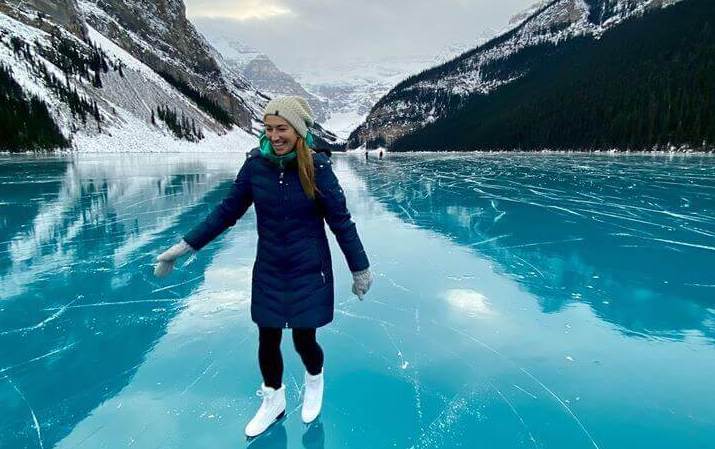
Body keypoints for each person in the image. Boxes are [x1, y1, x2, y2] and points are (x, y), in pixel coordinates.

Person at [153, 96, 373, 437]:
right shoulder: (256, 166)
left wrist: (360, 269)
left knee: (304, 340)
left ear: (298, 131)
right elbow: (225, 212)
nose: (274, 136)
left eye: (281, 128)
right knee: (267, 338)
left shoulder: (317, 167)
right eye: (268, 128)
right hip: (270, 268)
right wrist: (181, 249)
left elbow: (341, 222)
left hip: (308, 269)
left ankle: (314, 381)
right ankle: (274, 401)